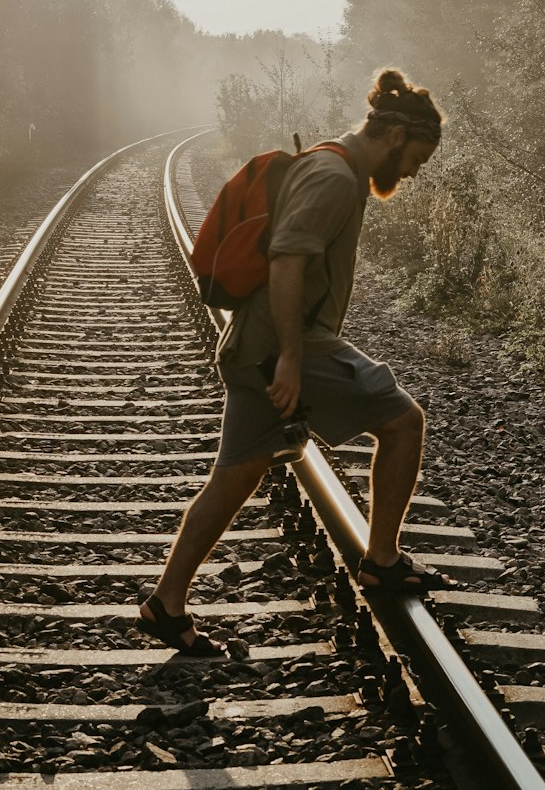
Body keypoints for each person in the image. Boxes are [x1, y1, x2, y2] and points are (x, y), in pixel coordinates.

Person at [137, 68, 446, 656]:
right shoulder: (333, 176)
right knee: (402, 421)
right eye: (416, 159)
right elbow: (285, 261)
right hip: (280, 346)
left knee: (234, 479)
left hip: (257, 347)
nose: (412, 173)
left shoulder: (337, 165)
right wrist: (293, 362)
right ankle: (381, 562)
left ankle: (165, 604)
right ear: (396, 136)